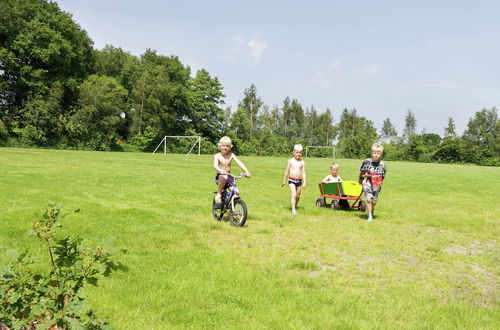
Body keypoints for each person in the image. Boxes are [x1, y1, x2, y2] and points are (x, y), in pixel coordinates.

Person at [213, 136, 251, 204]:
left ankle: (233, 209)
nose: (225, 147)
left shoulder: (231, 155)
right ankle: (219, 193)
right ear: (219, 146)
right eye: (223, 145)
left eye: (227, 146)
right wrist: (220, 170)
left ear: (230, 147)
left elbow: (239, 163)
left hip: (229, 176)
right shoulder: (217, 155)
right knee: (224, 177)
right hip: (220, 176)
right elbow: (215, 166)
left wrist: (246, 171)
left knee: (236, 193)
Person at [359, 143, 387, 222]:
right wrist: (362, 180)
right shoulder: (366, 162)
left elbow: (383, 175)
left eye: (378, 153)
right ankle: (370, 216)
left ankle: (372, 209)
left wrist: (380, 182)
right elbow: (362, 172)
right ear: (371, 153)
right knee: (368, 199)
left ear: (381, 154)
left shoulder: (382, 164)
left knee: (374, 201)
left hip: (377, 185)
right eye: (374, 153)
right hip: (367, 183)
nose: (376, 155)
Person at [281, 144, 307, 215]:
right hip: (292, 180)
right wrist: (284, 180)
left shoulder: (302, 162)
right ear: (293, 152)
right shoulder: (290, 161)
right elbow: (286, 171)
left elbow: (304, 172)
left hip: (299, 181)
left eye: (300, 152)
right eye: (297, 152)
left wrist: (304, 182)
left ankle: (295, 205)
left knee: (298, 196)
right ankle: (293, 210)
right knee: (294, 194)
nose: (299, 154)